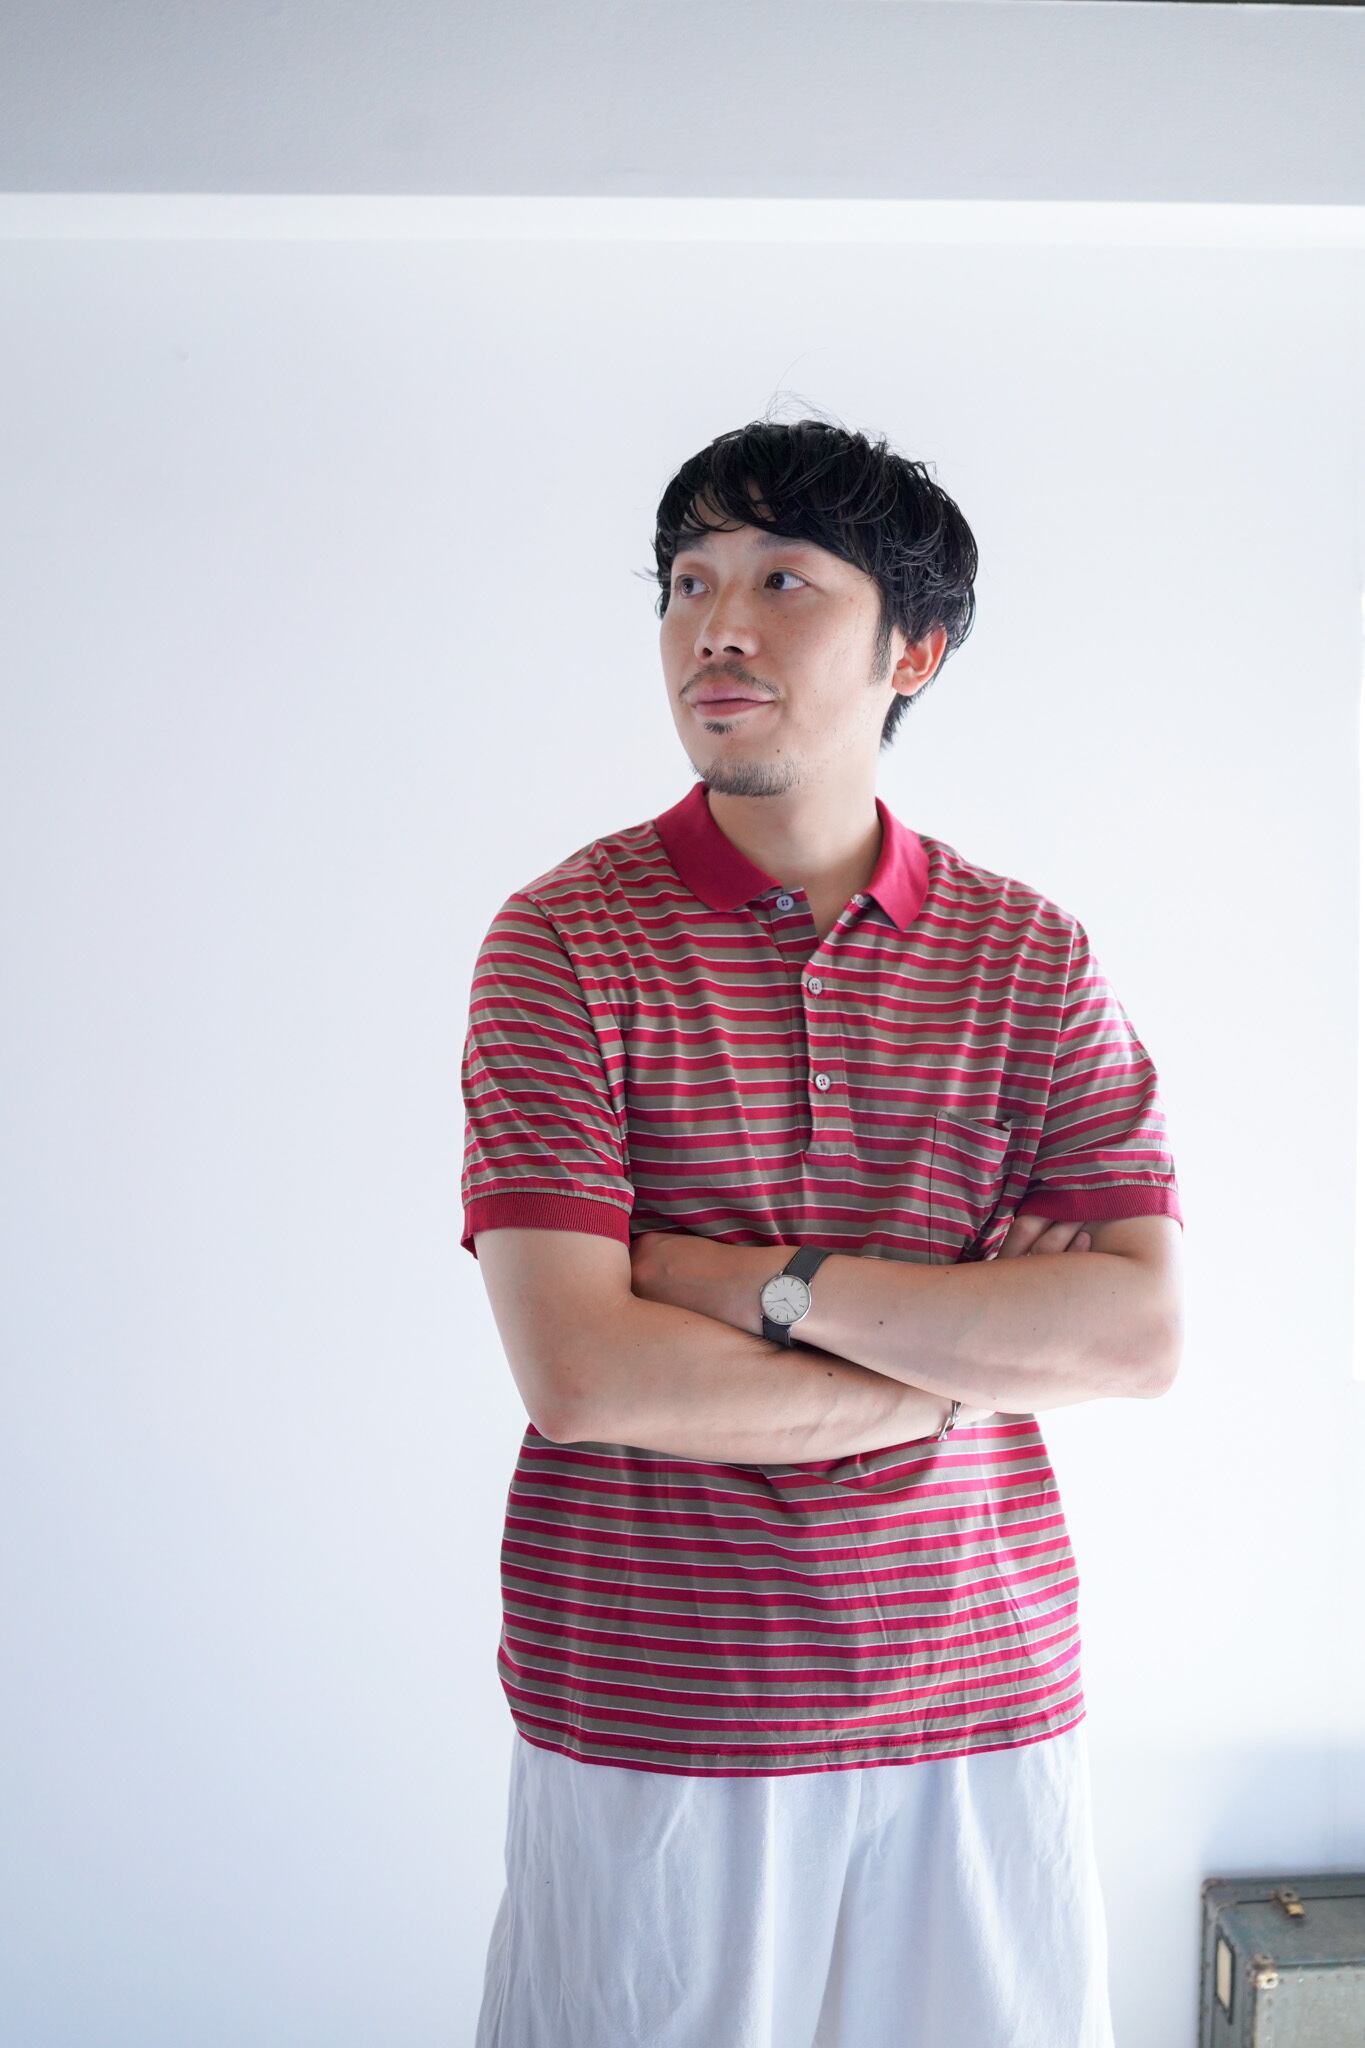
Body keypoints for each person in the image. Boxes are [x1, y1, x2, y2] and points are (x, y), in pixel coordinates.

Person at [459, 416, 1184, 2047]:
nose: (715, 625)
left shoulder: (1031, 958)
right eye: (687, 582)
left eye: (782, 581)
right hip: (658, 1712)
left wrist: (737, 1285)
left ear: (912, 651)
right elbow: (584, 1375)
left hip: (982, 1701)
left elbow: (1134, 1337)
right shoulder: (559, 945)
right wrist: (959, 1361)